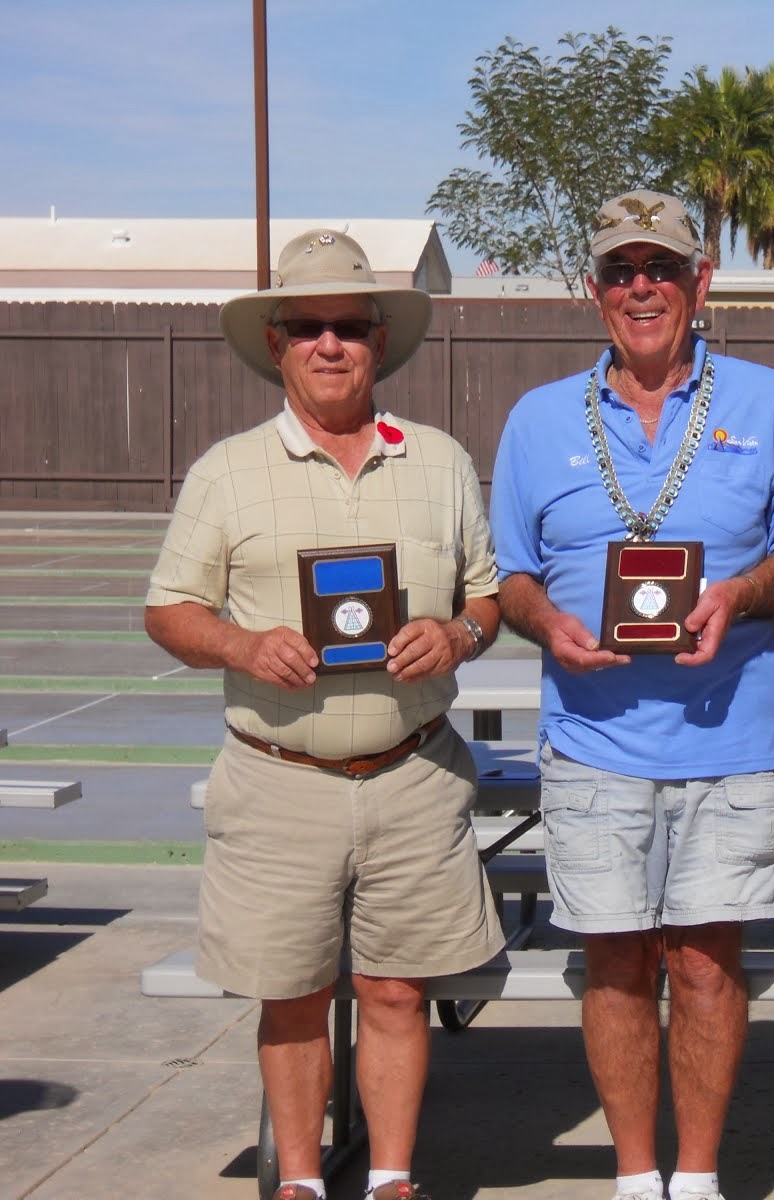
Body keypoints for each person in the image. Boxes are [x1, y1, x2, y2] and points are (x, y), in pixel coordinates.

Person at [145, 229, 505, 1200]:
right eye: (308, 327)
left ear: (380, 340)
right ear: (277, 343)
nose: (330, 344)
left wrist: (459, 636)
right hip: (279, 778)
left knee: (396, 991)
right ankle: (300, 1182)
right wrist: (241, 645)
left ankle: (391, 1177)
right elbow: (168, 610)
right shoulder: (226, 470)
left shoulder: (437, 462)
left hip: (413, 771)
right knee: (294, 998)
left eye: (349, 325)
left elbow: (487, 596)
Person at [489, 189, 774, 1200]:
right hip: (592, 744)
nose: (644, 288)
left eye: (663, 268)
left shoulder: (763, 403)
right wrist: (548, 624)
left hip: (729, 739)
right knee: (619, 968)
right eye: (624, 271)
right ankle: (638, 1178)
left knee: (708, 969)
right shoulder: (538, 419)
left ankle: (699, 1175)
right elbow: (510, 578)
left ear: (699, 282)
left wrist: (740, 593)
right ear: (595, 291)